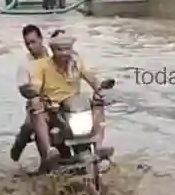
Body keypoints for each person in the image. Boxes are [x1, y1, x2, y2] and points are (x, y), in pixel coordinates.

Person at [25, 33, 112, 172]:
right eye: (60, 50)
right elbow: (35, 86)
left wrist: (99, 90)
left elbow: (92, 78)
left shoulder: (77, 63)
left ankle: (98, 145)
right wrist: (35, 95)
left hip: (73, 108)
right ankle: (49, 151)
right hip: (52, 108)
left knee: (98, 103)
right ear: (53, 51)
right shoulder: (41, 66)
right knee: (37, 110)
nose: (64, 53)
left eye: (67, 49)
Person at [11, 24, 51, 162]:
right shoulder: (25, 64)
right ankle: (21, 148)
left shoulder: (55, 55)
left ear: (41, 39)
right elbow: (23, 87)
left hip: (60, 100)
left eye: (33, 42)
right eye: (27, 43)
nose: (30, 46)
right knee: (30, 124)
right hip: (38, 102)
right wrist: (33, 93)